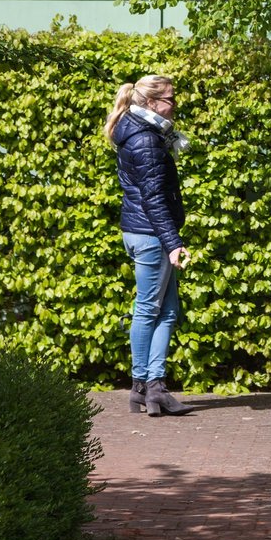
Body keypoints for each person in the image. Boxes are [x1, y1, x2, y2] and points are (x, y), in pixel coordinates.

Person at [104, 75, 194, 417]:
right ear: (152, 103)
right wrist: (172, 242)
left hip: (143, 231)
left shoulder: (139, 132)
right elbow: (154, 197)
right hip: (152, 235)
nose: (175, 105)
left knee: (166, 311)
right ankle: (144, 386)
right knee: (148, 309)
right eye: (170, 99)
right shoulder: (146, 140)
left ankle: (152, 389)